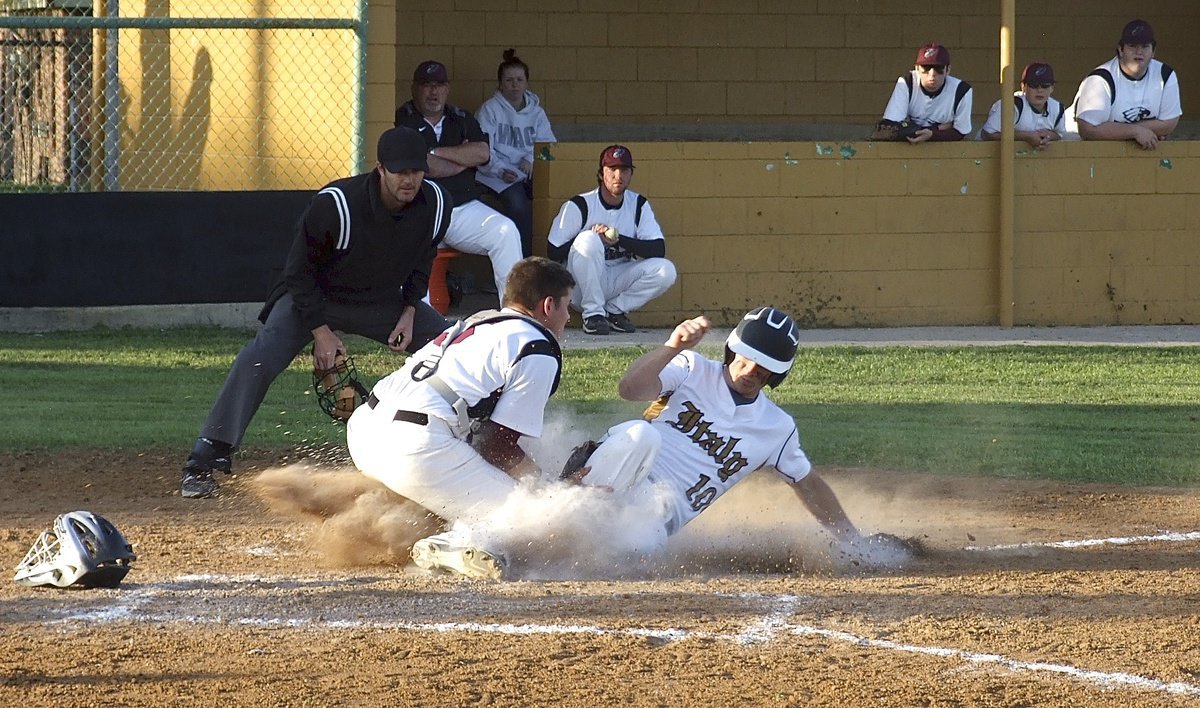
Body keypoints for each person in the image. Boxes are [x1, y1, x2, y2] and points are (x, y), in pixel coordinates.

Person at [411, 306, 910, 580]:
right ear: (732, 348)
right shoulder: (692, 369)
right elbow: (631, 391)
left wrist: (849, 538)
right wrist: (672, 346)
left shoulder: (776, 430)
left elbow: (809, 483)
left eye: (765, 370)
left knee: (620, 555)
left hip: (652, 519)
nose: (752, 373)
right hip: (616, 476)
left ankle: (505, 555)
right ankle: (466, 540)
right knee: (640, 432)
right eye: (747, 360)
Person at [179, 126, 454, 499]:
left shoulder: (436, 203)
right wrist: (321, 332)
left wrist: (409, 310)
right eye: (400, 171)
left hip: (380, 301)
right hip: (314, 297)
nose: (409, 180)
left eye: (416, 171)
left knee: (448, 346)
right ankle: (207, 455)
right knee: (260, 357)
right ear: (379, 169)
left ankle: (467, 444)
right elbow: (297, 271)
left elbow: (424, 258)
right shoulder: (337, 203)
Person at [347, 256, 575, 580]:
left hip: (364, 432)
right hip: (415, 449)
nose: (569, 315)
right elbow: (496, 444)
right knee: (544, 522)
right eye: (567, 306)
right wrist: (548, 490)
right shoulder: (537, 347)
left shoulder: (477, 323)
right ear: (548, 305)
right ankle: (456, 542)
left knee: (474, 481)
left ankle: (431, 518)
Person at [395, 60, 523, 299]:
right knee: (411, 253)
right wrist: (462, 159)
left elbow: (482, 153)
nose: (434, 92)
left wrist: (434, 152)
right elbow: (423, 167)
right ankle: (422, 327)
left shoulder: (460, 117)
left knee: (506, 231)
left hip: (461, 208)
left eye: (439, 85)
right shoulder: (403, 119)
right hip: (419, 209)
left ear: (447, 89)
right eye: (427, 85)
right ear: (414, 88)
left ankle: (514, 313)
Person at [545, 144, 676, 335]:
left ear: (631, 174)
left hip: (616, 280)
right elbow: (553, 251)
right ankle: (593, 315)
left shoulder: (638, 204)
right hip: (580, 286)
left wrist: (619, 240)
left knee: (666, 270)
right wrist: (590, 236)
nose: (618, 176)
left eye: (624, 170)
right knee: (588, 239)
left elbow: (658, 249)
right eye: (612, 169)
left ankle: (614, 311)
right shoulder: (580, 204)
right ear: (601, 173)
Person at [475, 48, 557, 259]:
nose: (515, 85)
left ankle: (551, 259)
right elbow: (482, 148)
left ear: (526, 82)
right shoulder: (489, 110)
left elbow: (549, 146)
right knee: (519, 206)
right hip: (495, 174)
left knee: (552, 198)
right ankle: (524, 264)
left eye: (519, 79)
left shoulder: (537, 112)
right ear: (500, 83)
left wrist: (532, 159)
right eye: (509, 80)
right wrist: (500, 169)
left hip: (528, 171)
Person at [1065, 19, 1182, 150]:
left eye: (1145, 46)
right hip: (1072, 147)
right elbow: (1088, 130)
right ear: (1121, 50)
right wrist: (1136, 132)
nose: (1139, 51)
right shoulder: (1100, 79)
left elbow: (1169, 123)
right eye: (1132, 46)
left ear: (1153, 52)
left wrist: (1123, 131)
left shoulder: (1165, 75)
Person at [873, 43, 973, 142]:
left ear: (948, 70)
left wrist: (930, 134)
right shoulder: (907, 82)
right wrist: (937, 129)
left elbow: (960, 132)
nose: (932, 74)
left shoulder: (961, 91)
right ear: (917, 69)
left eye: (939, 69)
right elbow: (888, 129)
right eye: (926, 68)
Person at [979, 62, 1066, 150]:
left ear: (1052, 88)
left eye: (1045, 86)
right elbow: (987, 134)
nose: (1039, 90)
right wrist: (1026, 136)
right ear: (1023, 87)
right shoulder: (1013, 105)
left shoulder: (1057, 108)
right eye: (1034, 85)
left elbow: (1060, 134)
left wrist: (1048, 135)